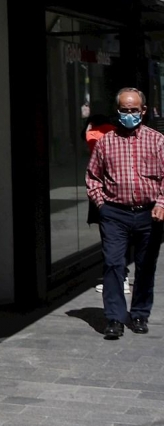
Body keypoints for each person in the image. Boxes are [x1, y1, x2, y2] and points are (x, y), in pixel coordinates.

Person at [86, 87, 164, 339]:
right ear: (117, 111)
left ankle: (140, 313)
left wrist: (161, 203)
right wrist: (102, 206)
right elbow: (93, 177)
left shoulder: (157, 141)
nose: (129, 114)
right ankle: (115, 318)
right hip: (115, 214)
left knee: (145, 266)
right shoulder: (106, 142)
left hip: (149, 214)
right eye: (124, 110)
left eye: (133, 110)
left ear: (142, 110)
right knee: (113, 264)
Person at [82, 114, 131, 295]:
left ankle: (120, 278)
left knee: (110, 237)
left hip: (104, 192)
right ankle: (122, 276)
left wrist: (88, 129)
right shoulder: (117, 133)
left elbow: (90, 147)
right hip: (121, 191)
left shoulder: (94, 134)